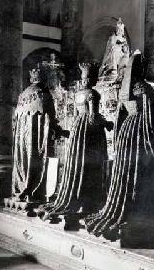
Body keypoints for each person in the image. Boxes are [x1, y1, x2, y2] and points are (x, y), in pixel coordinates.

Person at [86, 52, 154, 246]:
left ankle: (123, 207)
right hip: (139, 130)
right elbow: (149, 116)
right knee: (141, 171)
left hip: (126, 130)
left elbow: (119, 116)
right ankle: (141, 213)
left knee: (126, 171)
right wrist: (151, 138)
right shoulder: (144, 87)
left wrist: (119, 138)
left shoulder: (123, 89)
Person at [38, 63, 113, 229]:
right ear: (92, 79)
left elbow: (80, 114)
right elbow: (93, 118)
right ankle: (89, 201)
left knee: (77, 164)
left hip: (78, 128)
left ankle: (76, 196)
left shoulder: (78, 94)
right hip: (90, 134)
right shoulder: (93, 94)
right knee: (91, 165)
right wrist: (107, 123)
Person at [12, 67, 63, 202]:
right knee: (38, 159)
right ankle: (34, 192)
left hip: (22, 138)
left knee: (25, 159)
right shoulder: (43, 93)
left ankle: (23, 187)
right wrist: (59, 131)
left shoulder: (23, 94)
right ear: (44, 79)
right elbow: (50, 116)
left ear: (31, 79)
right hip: (37, 136)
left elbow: (15, 121)